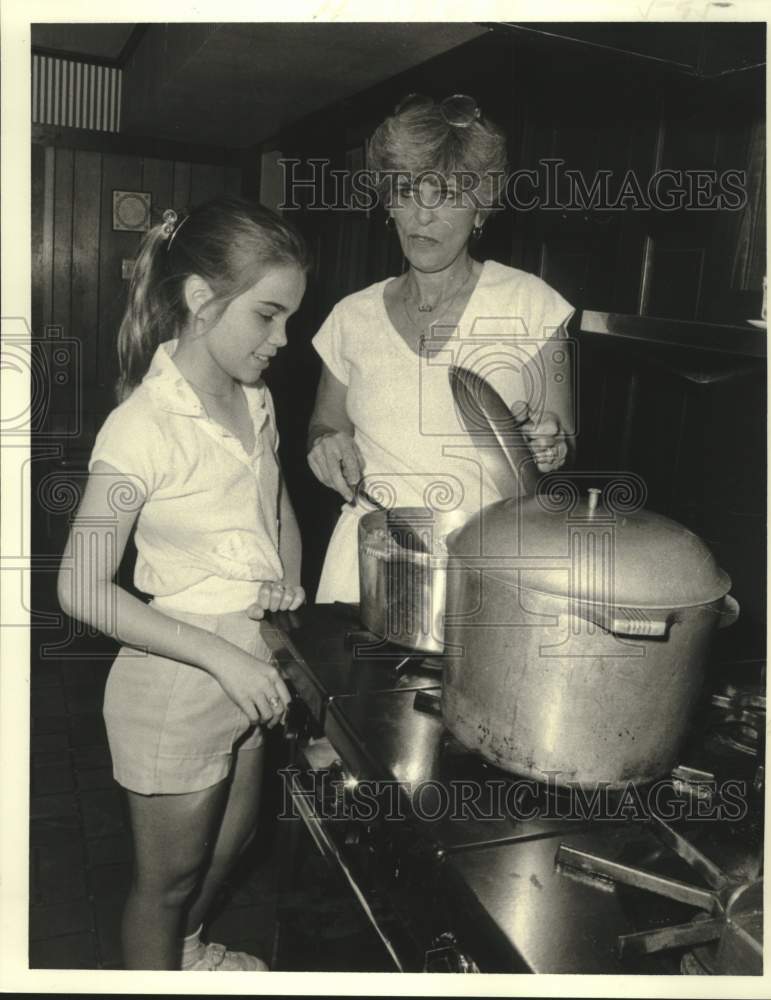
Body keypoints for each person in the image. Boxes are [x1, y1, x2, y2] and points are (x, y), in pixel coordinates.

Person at [57, 197, 309, 970]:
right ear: (201, 300)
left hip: (250, 662)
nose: (283, 340)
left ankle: (190, 956)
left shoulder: (253, 396)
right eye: (268, 315)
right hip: (177, 678)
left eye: (291, 318)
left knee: (227, 850)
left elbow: (274, 500)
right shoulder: (143, 426)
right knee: (164, 884)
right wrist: (222, 657)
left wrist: (285, 580)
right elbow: (81, 587)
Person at [307, 94, 575, 603]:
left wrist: (552, 442)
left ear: (481, 210)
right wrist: (325, 443)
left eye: (447, 195)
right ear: (388, 201)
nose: (423, 216)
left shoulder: (534, 305)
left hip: (487, 563)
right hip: (367, 560)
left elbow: (560, 442)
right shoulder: (350, 316)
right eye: (408, 192)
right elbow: (325, 424)